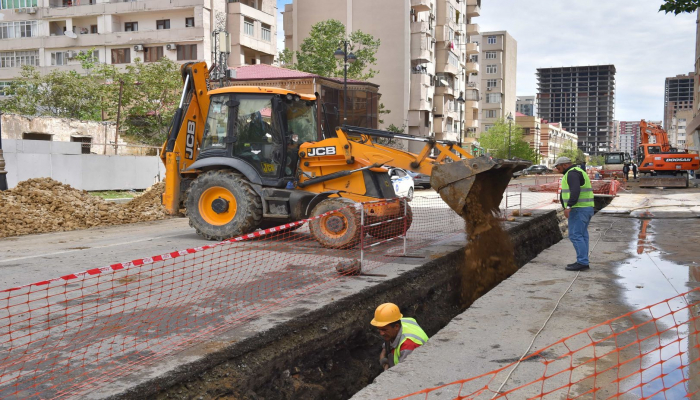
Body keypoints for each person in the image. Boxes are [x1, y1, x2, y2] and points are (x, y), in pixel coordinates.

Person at [554, 157, 594, 271]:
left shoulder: (572, 174)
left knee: (575, 235)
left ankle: (582, 262)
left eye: (558, 167)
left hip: (578, 209)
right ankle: (583, 261)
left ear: (565, 165)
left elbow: (575, 190)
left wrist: (569, 206)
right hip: (585, 208)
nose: (557, 169)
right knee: (582, 235)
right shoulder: (578, 171)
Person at [370, 303, 428, 370]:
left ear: (396, 326)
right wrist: (383, 357)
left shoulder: (408, 346)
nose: (381, 333)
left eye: (384, 330)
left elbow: (403, 374)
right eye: (379, 329)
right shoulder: (400, 322)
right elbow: (387, 344)